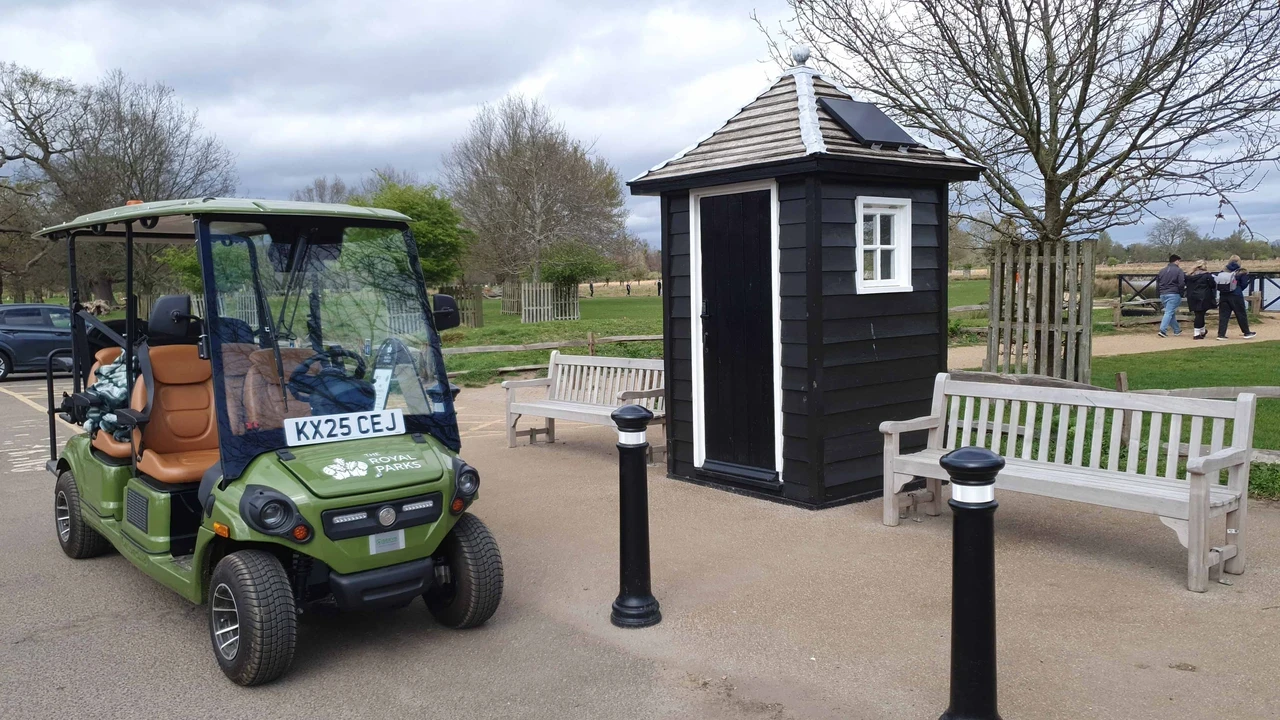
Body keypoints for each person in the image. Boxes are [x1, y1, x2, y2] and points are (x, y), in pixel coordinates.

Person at [1215, 255, 1257, 340]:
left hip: (1223, 295)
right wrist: (1238, 289)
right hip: (1236, 295)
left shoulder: (1223, 271)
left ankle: (1221, 334)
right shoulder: (1241, 271)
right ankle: (1246, 332)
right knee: (1241, 313)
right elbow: (1244, 284)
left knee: (1223, 315)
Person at [1184, 260, 1217, 340]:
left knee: (1199, 314)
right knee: (1200, 314)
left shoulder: (1189, 276)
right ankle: (1196, 333)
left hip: (1192, 297)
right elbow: (1213, 285)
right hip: (1203, 296)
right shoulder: (1207, 276)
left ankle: (1202, 330)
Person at [1155, 253, 1185, 338]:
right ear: (1176, 261)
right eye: (1179, 261)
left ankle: (1177, 330)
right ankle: (1162, 330)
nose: (1179, 263)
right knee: (1169, 312)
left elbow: (1158, 283)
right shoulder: (1179, 270)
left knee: (1170, 312)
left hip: (1163, 294)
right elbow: (1181, 283)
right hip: (1174, 293)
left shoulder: (1162, 271)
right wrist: (1181, 293)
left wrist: (1159, 292)